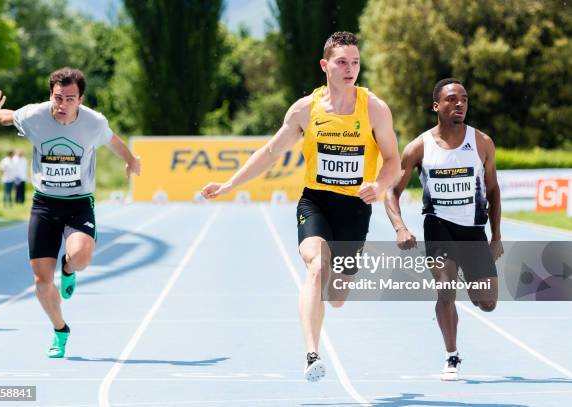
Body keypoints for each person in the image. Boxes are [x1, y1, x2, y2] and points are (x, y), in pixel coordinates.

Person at [201, 32, 400, 382]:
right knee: (315, 266)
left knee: (337, 296)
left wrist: (379, 185)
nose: (350, 68)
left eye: (355, 62)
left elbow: (393, 160)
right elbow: (271, 153)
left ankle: (331, 299)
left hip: (355, 208)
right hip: (316, 201)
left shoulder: (374, 108)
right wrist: (230, 184)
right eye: (342, 62)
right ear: (325, 65)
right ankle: (312, 355)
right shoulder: (305, 110)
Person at [0, 67, 140, 358]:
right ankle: (60, 330)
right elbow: (4, 117)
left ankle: (68, 269)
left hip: (78, 202)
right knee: (42, 284)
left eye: (70, 99)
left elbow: (115, 142)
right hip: (44, 205)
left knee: (81, 257)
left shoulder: (94, 123)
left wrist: (131, 161)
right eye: (58, 98)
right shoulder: (35, 116)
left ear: (80, 99)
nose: (62, 105)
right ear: (50, 95)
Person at [384, 78, 503, 381]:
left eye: (463, 99)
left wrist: (496, 236)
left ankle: (463, 271)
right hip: (438, 227)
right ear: (436, 105)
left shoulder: (482, 142)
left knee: (487, 303)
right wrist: (400, 227)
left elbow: (493, 191)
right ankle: (452, 355)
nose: (459, 104)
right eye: (451, 99)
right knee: (445, 289)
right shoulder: (419, 147)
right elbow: (390, 192)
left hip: (473, 230)